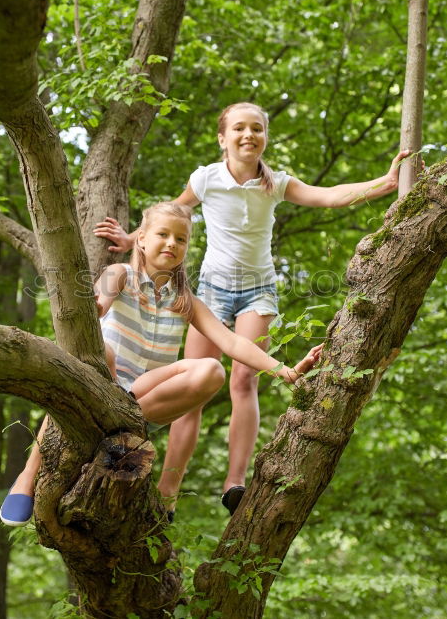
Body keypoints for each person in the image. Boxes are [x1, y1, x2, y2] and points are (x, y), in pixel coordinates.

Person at [95, 102, 409, 515]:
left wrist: (384, 183)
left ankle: (234, 482)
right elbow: (170, 214)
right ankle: (168, 493)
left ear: (264, 138)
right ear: (223, 138)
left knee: (244, 378)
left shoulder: (275, 183)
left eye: (257, 129)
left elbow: (329, 196)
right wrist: (129, 237)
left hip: (257, 290)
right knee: (195, 393)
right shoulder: (206, 179)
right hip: (210, 291)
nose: (249, 135)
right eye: (239, 128)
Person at [0, 201, 322, 526]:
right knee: (105, 352)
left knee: (211, 370)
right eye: (163, 234)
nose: (171, 243)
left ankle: (127, 430)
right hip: (102, 383)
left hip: (141, 399)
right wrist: (92, 307)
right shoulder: (120, 274)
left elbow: (233, 342)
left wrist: (283, 369)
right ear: (141, 239)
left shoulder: (185, 300)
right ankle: (28, 477)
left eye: (180, 239)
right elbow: (99, 301)